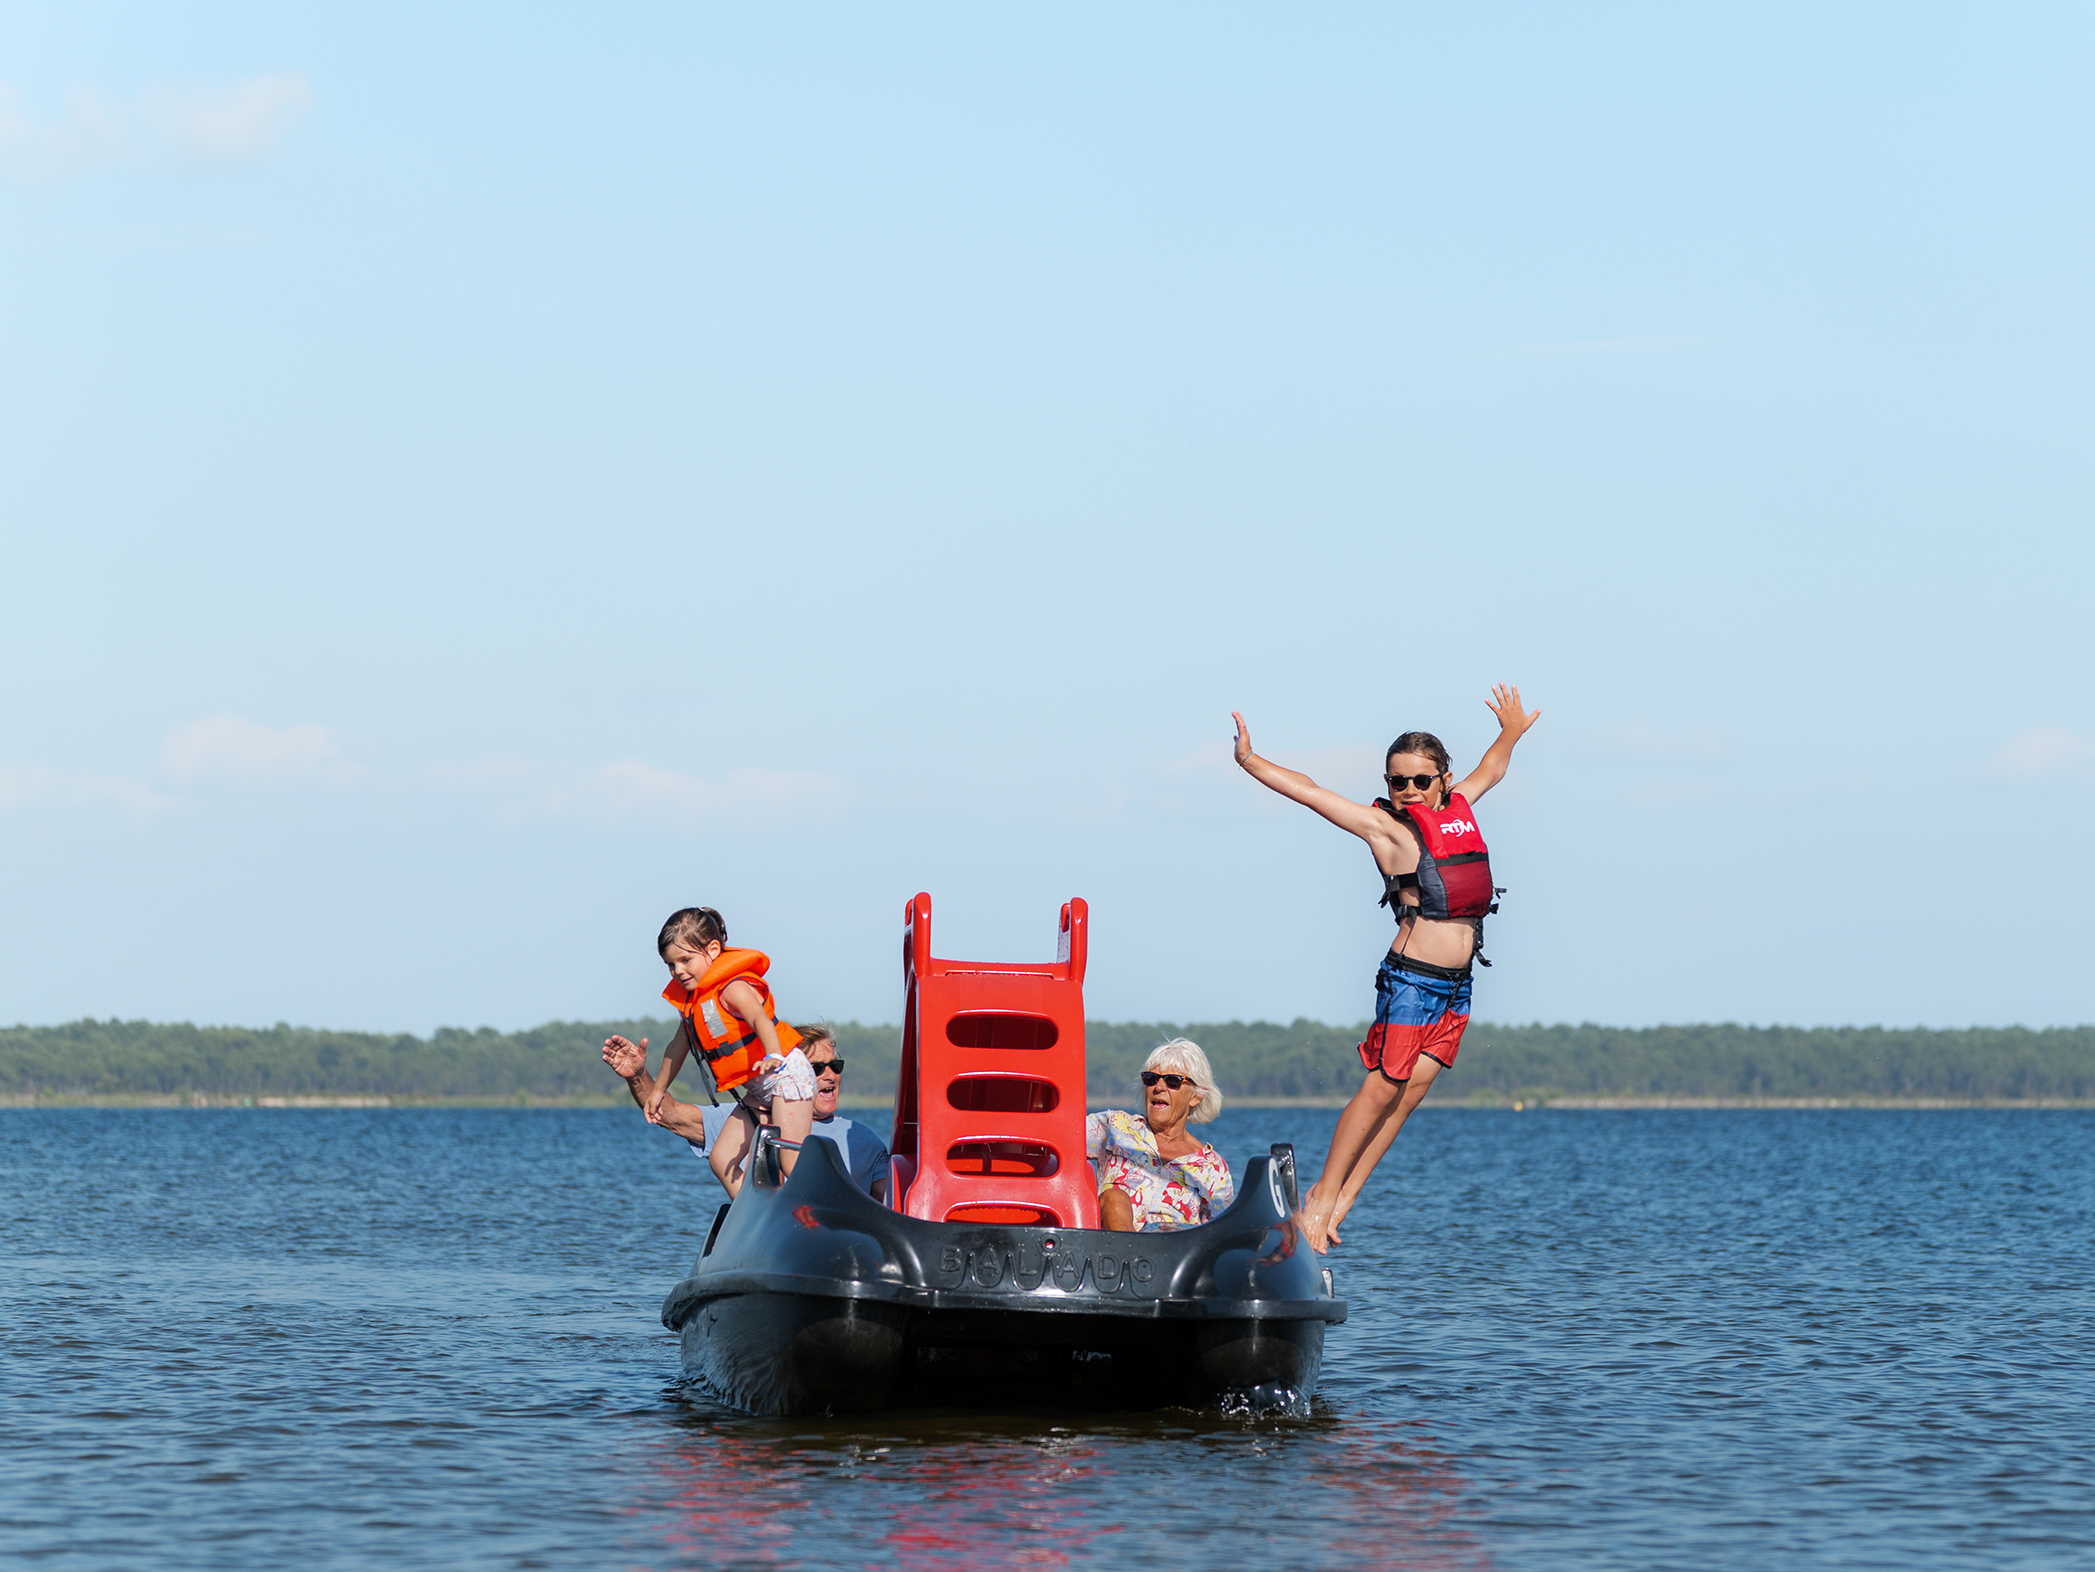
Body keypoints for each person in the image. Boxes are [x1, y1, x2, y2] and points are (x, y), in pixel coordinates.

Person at [1232, 685, 1540, 1253]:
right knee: (1382, 1088)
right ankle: (1318, 1203)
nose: (1410, 791)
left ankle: (1344, 1199)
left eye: (1422, 779)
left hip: (1457, 985)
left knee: (1412, 1092)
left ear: (1444, 779)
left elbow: (1492, 769)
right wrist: (1251, 761)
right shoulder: (1389, 829)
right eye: (1398, 781)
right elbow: (1312, 793)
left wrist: (1511, 732)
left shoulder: (1460, 806)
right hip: (1413, 980)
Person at [609, 905, 816, 1190]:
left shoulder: (732, 988)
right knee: (721, 1158)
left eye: (685, 960)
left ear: (714, 949)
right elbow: (676, 1049)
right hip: (759, 1088)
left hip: (786, 1075)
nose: (678, 971)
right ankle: (755, 1215)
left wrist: (773, 1054)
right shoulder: (695, 1006)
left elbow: (760, 1019)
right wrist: (657, 1091)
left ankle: (824, 1210)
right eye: (671, 965)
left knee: (789, 1162)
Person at [601, 1025, 888, 1200]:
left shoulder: (864, 1141)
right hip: (770, 1242)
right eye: (816, 1068)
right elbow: (670, 1114)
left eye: (835, 1067)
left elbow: (891, 1210)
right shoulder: (743, 1119)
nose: (829, 1075)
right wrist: (637, 1076)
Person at [1085, 1039, 1234, 1232]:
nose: (1158, 1088)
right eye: (1151, 1079)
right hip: (1115, 1252)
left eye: (1173, 1081)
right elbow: (1054, 1136)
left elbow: (1222, 1233)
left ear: (1196, 1096)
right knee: (1114, 1197)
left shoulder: (1212, 1168)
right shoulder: (1114, 1127)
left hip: (1175, 1253)